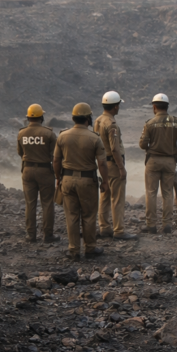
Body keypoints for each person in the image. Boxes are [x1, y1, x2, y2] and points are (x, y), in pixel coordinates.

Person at [54, 103, 110, 260]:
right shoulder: (94, 138)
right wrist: (105, 182)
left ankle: (73, 250)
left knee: (71, 215)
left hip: (67, 179)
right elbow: (102, 163)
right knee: (89, 215)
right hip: (87, 181)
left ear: (73, 118)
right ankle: (90, 248)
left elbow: (56, 161)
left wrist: (58, 178)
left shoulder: (63, 136)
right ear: (88, 118)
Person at [138, 93, 177, 234]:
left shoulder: (149, 123)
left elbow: (142, 144)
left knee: (151, 193)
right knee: (167, 193)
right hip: (170, 161)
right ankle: (167, 224)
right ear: (167, 106)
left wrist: (150, 145)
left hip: (153, 161)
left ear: (154, 107)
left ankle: (151, 225)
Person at [94, 91, 138, 241]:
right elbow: (114, 149)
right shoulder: (111, 124)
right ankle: (119, 229)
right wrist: (121, 167)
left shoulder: (98, 121)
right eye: (118, 105)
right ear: (114, 107)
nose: (119, 107)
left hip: (102, 164)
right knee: (117, 198)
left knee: (104, 195)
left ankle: (104, 227)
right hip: (113, 164)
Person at [17, 104, 58, 243]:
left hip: (27, 170)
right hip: (45, 170)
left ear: (28, 118)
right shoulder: (48, 133)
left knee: (30, 203)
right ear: (42, 117)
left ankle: (30, 235)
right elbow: (56, 155)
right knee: (47, 203)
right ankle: (48, 235)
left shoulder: (21, 133)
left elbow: (20, 153)